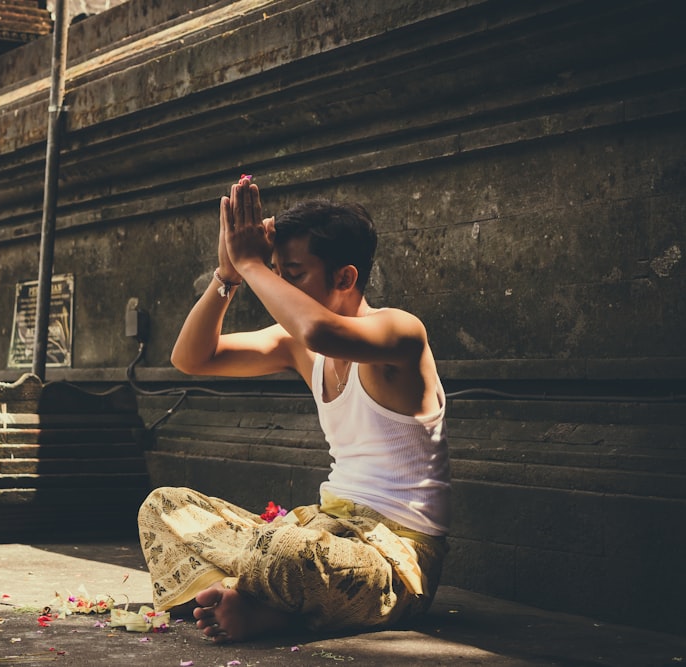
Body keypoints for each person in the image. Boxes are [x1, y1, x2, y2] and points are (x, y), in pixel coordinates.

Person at [137, 176, 451, 643]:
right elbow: (191, 358)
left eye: (294, 274)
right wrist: (229, 276)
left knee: (284, 548)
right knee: (164, 507)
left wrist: (250, 262)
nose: (278, 287)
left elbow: (320, 332)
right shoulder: (297, 345)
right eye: (276, 272)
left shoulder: (400, 332)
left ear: (345, 277)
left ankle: (252, 602)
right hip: (319, 527)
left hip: (390, 562)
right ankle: (246, 599)